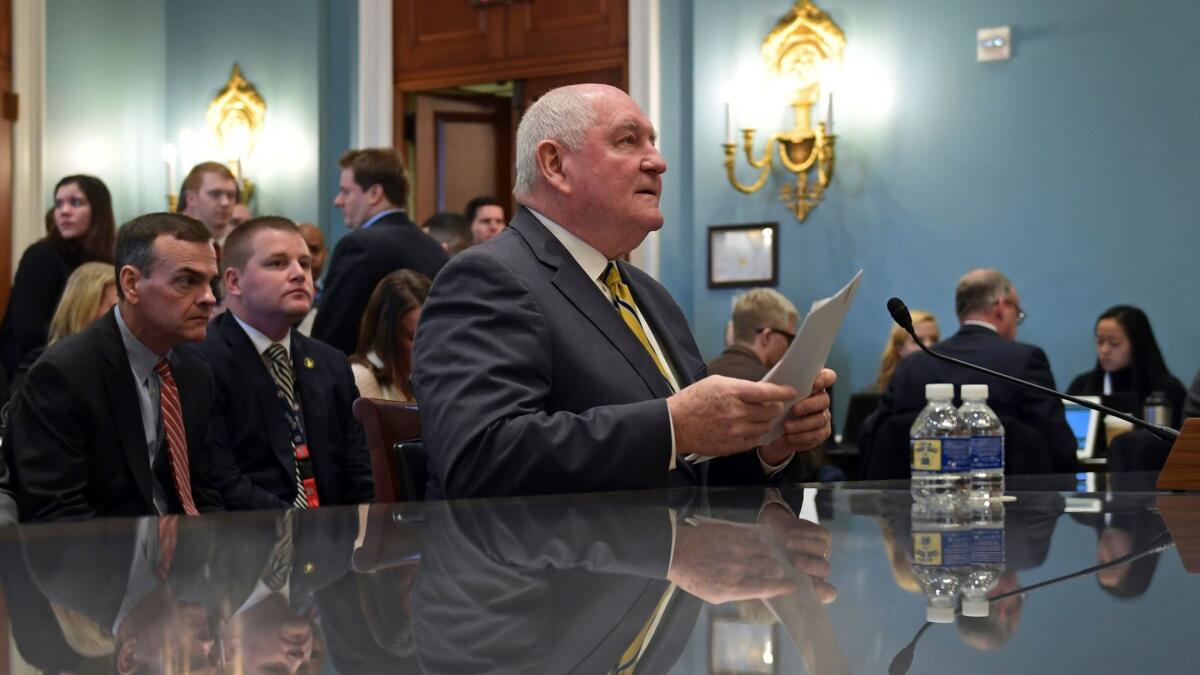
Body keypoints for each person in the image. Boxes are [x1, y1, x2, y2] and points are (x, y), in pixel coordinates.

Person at [412, 83, 835, 499]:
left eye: (653, 142)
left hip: (675, 557)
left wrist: (767, 445)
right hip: (543, 567)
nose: (657, 162)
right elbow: (478, 458)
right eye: (628, 141)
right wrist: (672, 426)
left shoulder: (651, 297)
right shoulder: (487, 277)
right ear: (554, 164)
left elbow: (691, 474)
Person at [8, 212, 224, 521]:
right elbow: (57, 513)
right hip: (103, 560)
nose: (208, 298)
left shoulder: (195, 372)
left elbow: (204, 492)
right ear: (131, 283)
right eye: (187, 281)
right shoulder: (63, 374)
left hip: (189, 558)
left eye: (210, 282)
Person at [192, 217, 373, 510]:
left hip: (336, 539)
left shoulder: (331, 362)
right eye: (277, 263)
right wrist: (303, 529)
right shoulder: (201, 362)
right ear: (234, 282)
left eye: (305, 263)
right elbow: (221, 481)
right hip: (249, 539)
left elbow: (359, 475)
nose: (299, 274)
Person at [870, 268, 1077, 474]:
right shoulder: (1025, 360)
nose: (1016, 321)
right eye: (1017, 313)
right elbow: (1059, 448)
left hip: (912, 500)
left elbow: (872, 441)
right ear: (1002, 307)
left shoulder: (911, 366)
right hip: (1010, 500)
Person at [313, 148, 448, 354]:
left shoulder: (359, 245)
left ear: (375, 193)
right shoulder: (432, 246)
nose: (338, 201)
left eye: (346, 191)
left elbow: (331, 336)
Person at [0, 175, 116, 377]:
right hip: (37, 369)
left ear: (99, 211)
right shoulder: (41, 255)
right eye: (58, 204)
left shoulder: (110, 260)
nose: (64, 211)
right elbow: (28, 329)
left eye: (76, 202)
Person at [1067, 305, 1186, 429]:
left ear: (1137, 344)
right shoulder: (1082, 385)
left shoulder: (1168, 390)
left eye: (1114, 343)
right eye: (1099, 342)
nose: (1104, 350)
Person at [9, 262, 117, 395]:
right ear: (84, 309)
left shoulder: (119, 365)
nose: (124, 317)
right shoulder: (42, 367)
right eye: (114, 308)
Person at [350, 270, 431, 402]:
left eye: (433, 333)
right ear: (387, 341)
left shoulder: (431, 377)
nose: (430, 345)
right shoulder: (363, 377)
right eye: (415, 337)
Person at [874, 309, 939, 390]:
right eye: (918, 340)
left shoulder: (944, 384)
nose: (929, 345)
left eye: (934, 340)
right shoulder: (882, 393)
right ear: (899, 348)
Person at [178, 161, 239, 244]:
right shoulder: (168, 241)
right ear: (191, 198)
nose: (225, 203)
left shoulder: (240, 241)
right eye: (215, 194)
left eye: (230, 195)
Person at [295, 222, 328, 336]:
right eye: (301, 250)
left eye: (314, 250)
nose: (308, 257)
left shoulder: (334, 293)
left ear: (325, 254)